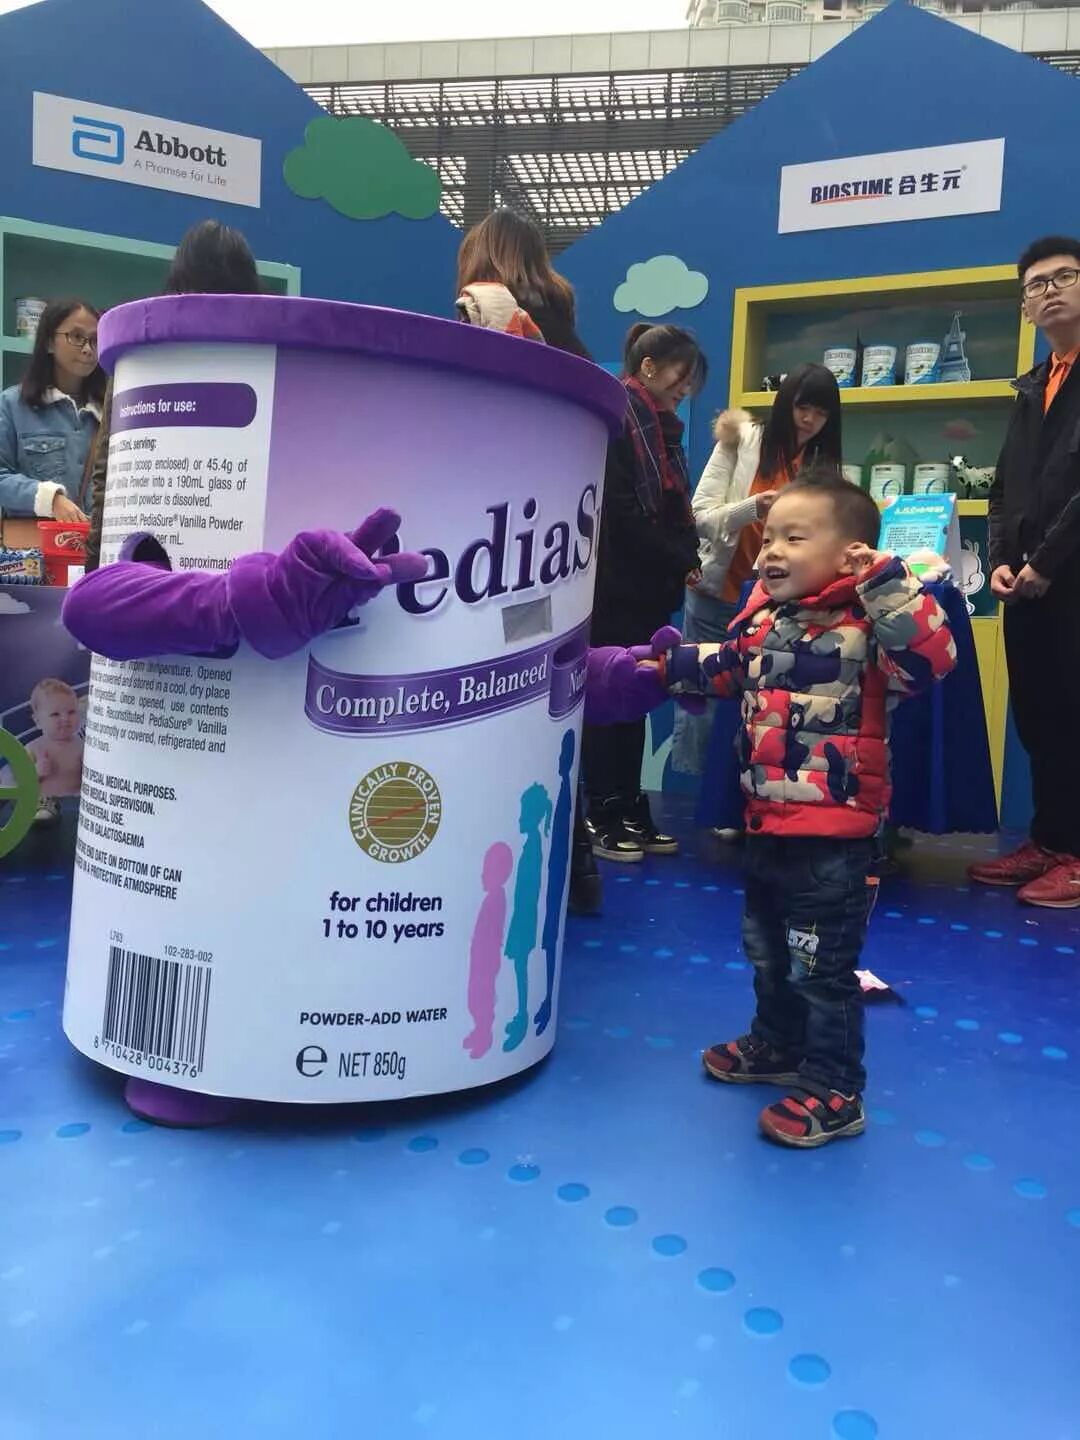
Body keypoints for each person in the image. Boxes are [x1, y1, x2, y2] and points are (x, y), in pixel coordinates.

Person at [61, 513, 668, 1128]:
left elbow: (511, 653)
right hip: (228, 871)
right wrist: (254, 600)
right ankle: (210, 1049)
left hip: (407, 871)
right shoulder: (210, 500)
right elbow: (91, 608)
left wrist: (612, 677)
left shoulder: (491, 529)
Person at [643, 472, 956, 1147]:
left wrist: (884, 581)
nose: (771, 552)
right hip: (767, 824)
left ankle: (835, 1088)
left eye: (794, 538)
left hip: (835, 839)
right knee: (767, 951)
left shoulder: (871, 628)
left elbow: (931, 657)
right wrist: (662, 667)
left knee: (821, 970)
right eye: (769, 539)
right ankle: (777, 1043)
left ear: (849, 555)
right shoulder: (766, 620)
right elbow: (728, 665)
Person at [455, 207, 600, 914]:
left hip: (496, 543)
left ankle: (489, 866)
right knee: (551, 696)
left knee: (489, 700)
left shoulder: (480, 309)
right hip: (562, 546)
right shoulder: (569, 333)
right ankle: (575, 867)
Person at [968, 236, 1080, 908]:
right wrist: (1004, 561)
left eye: (1065, 276)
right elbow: (1004, 487)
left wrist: (1045, 562)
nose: (1049, 291)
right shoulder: (1033, 386)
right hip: (1029, 587)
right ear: (1026, 308)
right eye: (1036, 285)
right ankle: (1052, 839)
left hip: (1070, 579)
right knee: (1041, 717)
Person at [673, 364, 842, 784]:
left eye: (821, 413)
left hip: (777, 606)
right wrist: (754, 507)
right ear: (785, 404)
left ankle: (743, 795)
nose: (810, 419)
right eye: (803, 407)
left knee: (764, 705)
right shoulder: (743, 441)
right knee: (702, 696)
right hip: (717, 593)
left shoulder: (824, 467)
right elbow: (698, 516)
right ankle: (698, 799)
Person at [583, 323, 706, 863]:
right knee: (607, 699)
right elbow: (620, 513)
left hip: (650, 589)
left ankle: (631, 805)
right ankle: (601, 809)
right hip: (613, 587)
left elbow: (679, 509)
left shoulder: (667, 434)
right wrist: (679, 556)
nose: (687, 387)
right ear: (649, 366)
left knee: (636, 698)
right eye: (682, 373)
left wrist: (688, 554)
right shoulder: (617, 419)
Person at [83, 220, 263, 573]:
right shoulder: (263, 348)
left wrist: (94, 567)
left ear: (180, 277)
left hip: (148, 563)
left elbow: (107, 471)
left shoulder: (142, 351)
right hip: (238, 561)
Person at [0, 298, 103, 523]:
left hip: (95, 544)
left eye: (95, 340)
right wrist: (50, 499)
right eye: (76, 337)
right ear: (48, 342)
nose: (88, 349)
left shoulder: (109, 415)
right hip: (34, 544)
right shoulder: (11, 405)